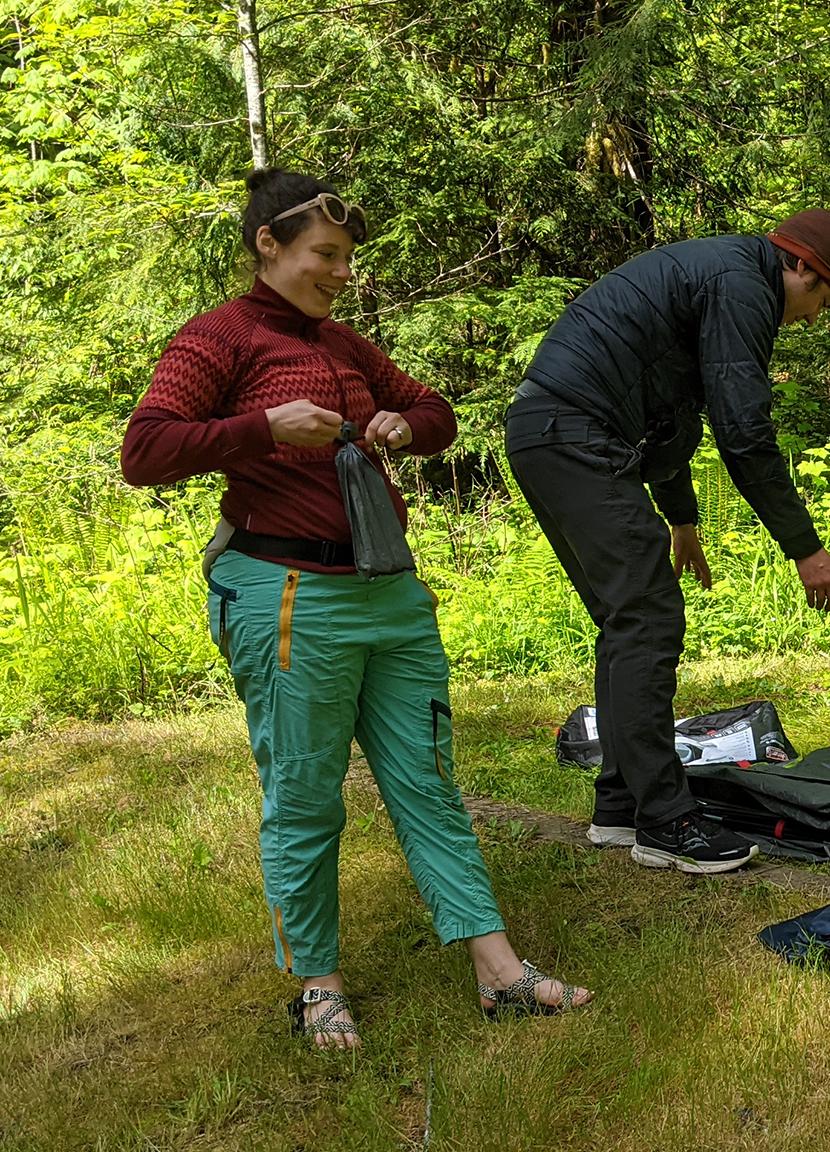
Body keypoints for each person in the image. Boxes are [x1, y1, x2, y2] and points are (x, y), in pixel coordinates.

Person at [121, 168, 591, 1048]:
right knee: (304, 797)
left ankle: (499, 972)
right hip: (289, 594)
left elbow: (435, 412)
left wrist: (405, 426)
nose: (340, 273)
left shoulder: (343, 345)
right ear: (270, 245)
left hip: (390, 594)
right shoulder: (217, 338)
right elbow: (145, 451)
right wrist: (259, 431)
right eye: (324, 255)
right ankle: (318, 986)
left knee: (429, 783)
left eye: (345, 259)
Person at [504, 211, 830, 875]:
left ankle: (621, 805)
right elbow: (743, 433)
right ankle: (668, 823)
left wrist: (683, 520)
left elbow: (672, 419)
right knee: (647, 616)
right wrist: (805, 549)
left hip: (547, 431)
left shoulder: (724, 273)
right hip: (574, 433)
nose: (813, 319)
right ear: (802, 267)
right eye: (823, 302)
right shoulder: (743, 285)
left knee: (625, 618)